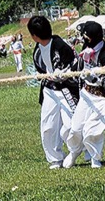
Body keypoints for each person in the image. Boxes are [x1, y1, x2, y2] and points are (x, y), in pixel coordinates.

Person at [27, 13, 79, 169]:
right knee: (48, 125)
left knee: (70, 126)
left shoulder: (60, 45)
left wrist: (59, 74)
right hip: (49, 90)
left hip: (66, 89)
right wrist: (43, 76)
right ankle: (55, 158)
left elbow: (72, 68)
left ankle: (75, 152)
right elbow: (40, 67)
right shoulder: (37, 49)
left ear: (34, 35)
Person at [64, 19, 105, 168]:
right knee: (76, 128)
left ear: (94, 37)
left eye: (86, 37)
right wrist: (67, 72)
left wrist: (95, 74)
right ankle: (74, 152)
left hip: (101, 98)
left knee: (92, 130)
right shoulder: (86, 47)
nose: (84, 39)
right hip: (86, 94)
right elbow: (78, 66)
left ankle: (95, 158)